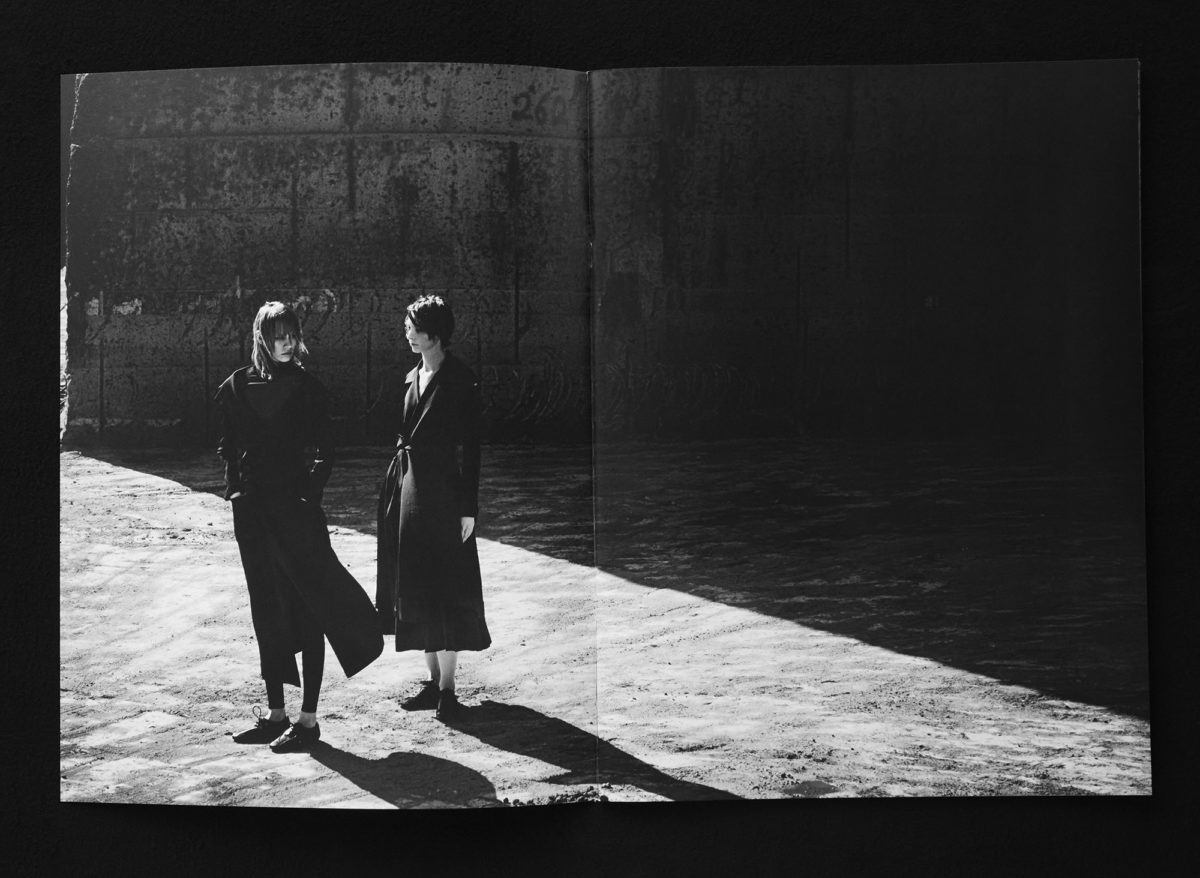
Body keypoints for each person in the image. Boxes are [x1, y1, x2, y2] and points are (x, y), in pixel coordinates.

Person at [216, 301, 383, 752]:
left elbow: (327, 450)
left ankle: (308, 720)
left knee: (310, 606)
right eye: (279, 336)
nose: (288, 343)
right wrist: (236, 492)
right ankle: (276, 715)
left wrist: (308, 496)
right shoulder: (236, 386)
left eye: (292, 334)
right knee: (266, 608)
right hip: (253, 517)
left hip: (296, 514)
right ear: (262, 339)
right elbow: (227, 446)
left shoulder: (308, 388)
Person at [375, 295, 491, 722]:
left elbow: (471, 449)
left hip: (443, 492)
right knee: (416, 581)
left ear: (434, 334)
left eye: (413, 327)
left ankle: (448, 688)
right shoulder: (411, 377)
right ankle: (431, 681)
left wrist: (468, 508)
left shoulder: (461, 379)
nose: (407, 333)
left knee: (446, 585)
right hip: (408, 488)